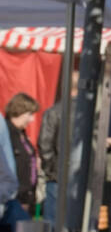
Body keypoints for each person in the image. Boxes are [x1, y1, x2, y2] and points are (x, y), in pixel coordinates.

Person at [37, 70, 78, 223]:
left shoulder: (54, 112)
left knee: (54, 225)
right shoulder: (93, 113)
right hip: (81, 175)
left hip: (58, 175)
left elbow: (44, 145)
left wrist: (50, 169)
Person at [3, 93, 39, 215]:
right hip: (13, 197)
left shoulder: (21, 134)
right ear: (19, 111)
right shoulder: (6, 133)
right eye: (29, 114)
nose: (32, 119)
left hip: (25, 197)